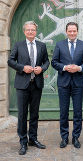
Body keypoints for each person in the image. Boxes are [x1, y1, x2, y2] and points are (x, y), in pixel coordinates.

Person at [8, 21, 50, 155]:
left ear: (36, 31)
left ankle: (33, 139)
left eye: (33, 30)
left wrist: (41, 68)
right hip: (22, 85)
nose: (31, 32)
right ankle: (23, 142)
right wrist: (22, 68)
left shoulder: (42, 45)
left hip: (36, 84)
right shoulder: (18, 45)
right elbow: (10, 60)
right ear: (24, 31)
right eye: (28, 30)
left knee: (34, 114)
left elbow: (46, 61)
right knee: (22, 114)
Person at [51, 22, 83, 149]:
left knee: (78, 112)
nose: (72, 33)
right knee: (63, 111)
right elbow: (54, 62)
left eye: (74, 31)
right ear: (66, 31)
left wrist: (79, 68)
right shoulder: (59, 44)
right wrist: (64, 67)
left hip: (78, 83)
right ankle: (64, 137)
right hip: (63, 82)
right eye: (70, 31)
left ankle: (75, 137)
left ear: (77, 31)